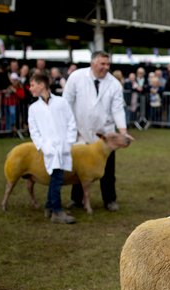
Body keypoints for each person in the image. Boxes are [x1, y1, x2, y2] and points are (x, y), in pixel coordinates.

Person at [63, 51, 128, 212]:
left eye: (108, 64)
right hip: (81, 132)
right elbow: (66, 103)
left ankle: (110, 200)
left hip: (106, 136)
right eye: (102, 64)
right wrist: (68, 127)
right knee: (79, 168)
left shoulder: (114, 84)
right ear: (93, 63)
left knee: (107, 169)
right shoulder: (76, 77)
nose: (106, 68)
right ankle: (76, 200)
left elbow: (118, 109)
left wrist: (123, 131)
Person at [26, 73, 77, 224]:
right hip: (49, 149)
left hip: (63, 147)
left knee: (56, 177)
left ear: (42, 85)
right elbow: (34, 131)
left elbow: (71, 122)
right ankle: (56, 211)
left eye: (33, 85)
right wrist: (43, 146)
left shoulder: (61, 102)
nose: (30, 88)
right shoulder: (34, 108)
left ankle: (50, 207)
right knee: (56, 178)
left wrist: (68, 143)